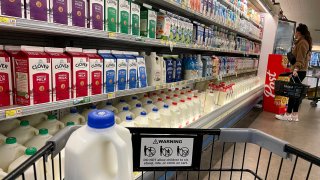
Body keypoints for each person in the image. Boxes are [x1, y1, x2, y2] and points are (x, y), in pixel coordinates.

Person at [276, 23, 312, 121]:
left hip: (298, 71)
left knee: (293, 93)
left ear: (299, 32)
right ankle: (294, 115)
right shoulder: (302, 42)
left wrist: (295, 69)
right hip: (300, 70)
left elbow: (300, 58)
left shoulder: (302, 43)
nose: (295, 33)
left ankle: (288, 115)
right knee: (296, 93)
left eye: (296, 31)